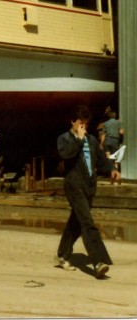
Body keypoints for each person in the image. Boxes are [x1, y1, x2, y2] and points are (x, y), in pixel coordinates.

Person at [54, 105, 121, 279]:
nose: (83, 127)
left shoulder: (91, 140)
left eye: (86, 123)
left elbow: (100, 158)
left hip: (89, 186)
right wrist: (78, 139)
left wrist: (112, 169)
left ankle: (62, 254)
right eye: (80, 123)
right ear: (72, 122)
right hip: (74, 186)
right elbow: (66, 155)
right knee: (87, 222)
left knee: (77, 222)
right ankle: (99, 262)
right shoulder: (65, 139)